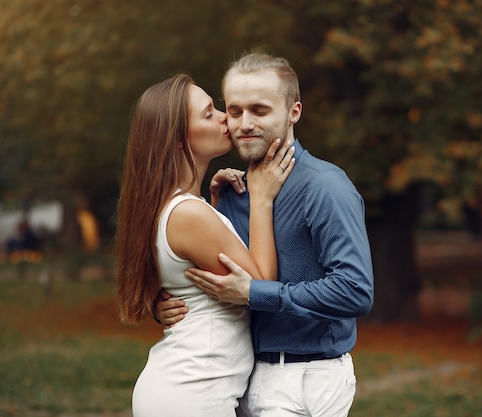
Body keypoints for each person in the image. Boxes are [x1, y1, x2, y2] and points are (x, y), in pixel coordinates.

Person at [157, 53, 374, 417]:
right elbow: (211, 279)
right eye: (236, 111)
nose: (243, 124)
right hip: (239, 381)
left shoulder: (325, 187)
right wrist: (162, 304)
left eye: (259, 110)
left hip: (306, 377)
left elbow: (355, 290)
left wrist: (256, 293)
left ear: (294, 112)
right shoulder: (231, 192)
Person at [115, 73, 295, 417]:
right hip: (193, 395)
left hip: (183, 391)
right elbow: (261, 286)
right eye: (209, 113)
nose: (227, 118)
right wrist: (261, 199)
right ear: (180, 140)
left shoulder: (175, 205)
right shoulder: (188, 215)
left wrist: (215, 202)